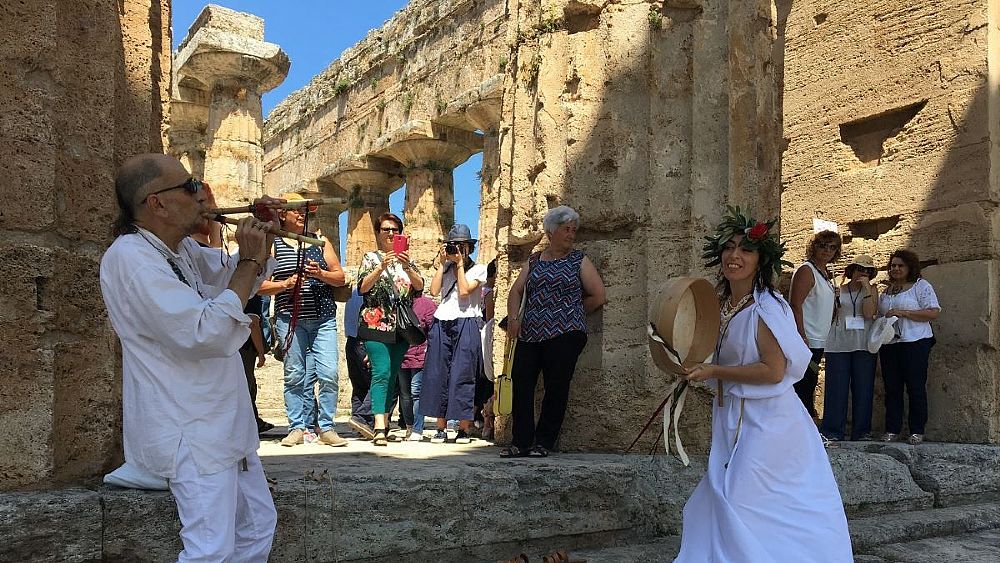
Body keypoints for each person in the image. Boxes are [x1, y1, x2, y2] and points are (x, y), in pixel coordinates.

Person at [100, 153, 279, 561]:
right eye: (190, 186)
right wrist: (249, 259)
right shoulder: (131, 259)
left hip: (220, 423)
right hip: (191, 429)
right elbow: (207, 331)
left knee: (255, 528)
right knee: (210, 549)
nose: (201, 194)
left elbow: (230, 278)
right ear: (156, 203)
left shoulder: (180, 251)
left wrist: (261, 243)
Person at [674, 208, 852, 562]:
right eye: (729, 247)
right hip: (732, 415)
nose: (734, 255)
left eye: (746, 249)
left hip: (768, 422)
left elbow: (773, 371)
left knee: (747, 497)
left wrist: (714, 372)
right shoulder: (722, 303)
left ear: (761, 259)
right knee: (727, 491)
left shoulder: (766, 307)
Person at [499, 206, 607, 458]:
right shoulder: (535, 260)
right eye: (566, 229)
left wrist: (572, 313)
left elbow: (598, 295)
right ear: (551, 232)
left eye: (573, 230)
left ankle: (544, 441)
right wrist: (514, 319)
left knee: (556, 386)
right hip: (531, 331)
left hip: (566, 332)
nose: (571, 235)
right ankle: (521, 441)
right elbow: (516, 290)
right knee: (522, 382)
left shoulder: (578, 259)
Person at [258, 193, 348, 447]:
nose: (300, 214)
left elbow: (340, 277)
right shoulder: (274, 243)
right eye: (295, 210)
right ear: (283, 215)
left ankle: (327, 427)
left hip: (323, 318)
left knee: (329, 373)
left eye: (303, 210)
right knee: (295, 374)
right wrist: (284, 284)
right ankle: (297, 426)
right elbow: (257, 285)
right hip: (290, 320)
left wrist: (320, 274)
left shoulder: (320, 242)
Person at [357, 212, 425, 446]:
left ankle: (383, 421)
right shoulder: (370, 258)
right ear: (377, 233)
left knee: (392, 375)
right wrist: (380, 267)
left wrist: (407, 268)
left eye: (395, 230)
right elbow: (363, 288)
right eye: (386, 229)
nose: (390, 234)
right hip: (375, 322)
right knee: (381, 372)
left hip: (401, 326)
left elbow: (420, 287)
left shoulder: (407, 261)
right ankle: (378, 426)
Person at [420, 224, 489, 444]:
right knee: (437, 372)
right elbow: (433, 291)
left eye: (463, 246)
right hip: (442, 321)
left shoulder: (479, 269)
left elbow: (464, 292)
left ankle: (463, 428)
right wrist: (442, 265)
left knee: (463, 373)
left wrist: (459, 265)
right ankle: (440, 427)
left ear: (470, 247)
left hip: (467, 321)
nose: (458, 250)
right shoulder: (447, 268)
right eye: (455, 245)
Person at [878, 249, 941, 445]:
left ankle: (916, 430)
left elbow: (933, 312)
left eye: (900, 265)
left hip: (916, 342)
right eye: (893, 265)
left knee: (915, 387)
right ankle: (892, 429)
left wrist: (902, 313)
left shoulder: (921, 287)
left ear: (909, 267)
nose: (896, 269)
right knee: (892, 387)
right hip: (890, 343)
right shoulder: (886, 291)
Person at [819, 255, 879, 442]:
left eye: (868, 270)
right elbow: (829, 315)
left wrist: (867, 289)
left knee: (864, 388)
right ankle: (832, 431)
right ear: (852, 270)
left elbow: (869, 314)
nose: (864, 272)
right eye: (860, 268)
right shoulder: (838, 289)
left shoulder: (872, 290)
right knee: (836, 387)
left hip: (863, 343)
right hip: (839, 342)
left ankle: (861, 431)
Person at [789, 229, 841, 418]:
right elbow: (795, 304)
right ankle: (803, 427)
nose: (827, 250)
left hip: (819, 340)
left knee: (809, 382)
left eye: (832, 247)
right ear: (814, 247)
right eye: (823, 245)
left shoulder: (826, 275)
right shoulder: (807, 270)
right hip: (808, 339)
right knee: (803, 385)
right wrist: (801, 336)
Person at [400, 292, 437, 441]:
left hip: (420, 355)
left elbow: (433, 330)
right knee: (405, 394)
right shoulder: (399, 303)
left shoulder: (426, 304)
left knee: (416, 391)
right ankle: (410, 426)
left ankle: (417, 428)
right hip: (402, 355)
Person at [344, 287, 376, 439]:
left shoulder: (354, 291)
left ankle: (358, 425)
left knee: (359, 387)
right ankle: (362, 418)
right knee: (379, 382)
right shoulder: (372, 293)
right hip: (365, 341)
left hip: (352, 341)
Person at [239, 294, 274, 434]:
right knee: (246, 386)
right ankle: (248, 425)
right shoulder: (252, 296)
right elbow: (253, 324)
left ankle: (253, 421)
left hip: (232, 345)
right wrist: (260, 352)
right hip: (244, 347)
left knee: (248, 385)